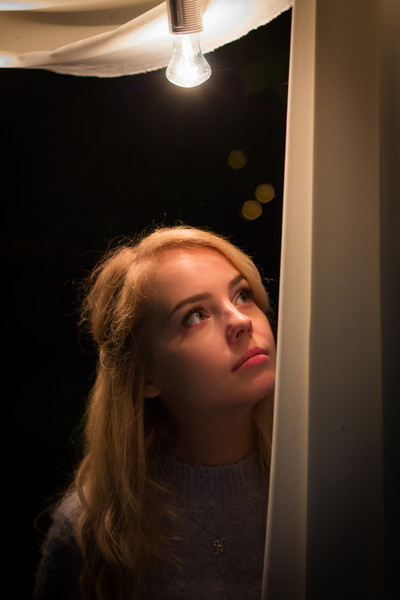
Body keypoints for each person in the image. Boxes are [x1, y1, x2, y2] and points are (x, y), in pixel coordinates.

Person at [33, 224, 276, 600]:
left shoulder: (323, 487)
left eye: (243, 295)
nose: (242, 321)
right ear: (146, 377)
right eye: (195, 316)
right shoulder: (94, 532)